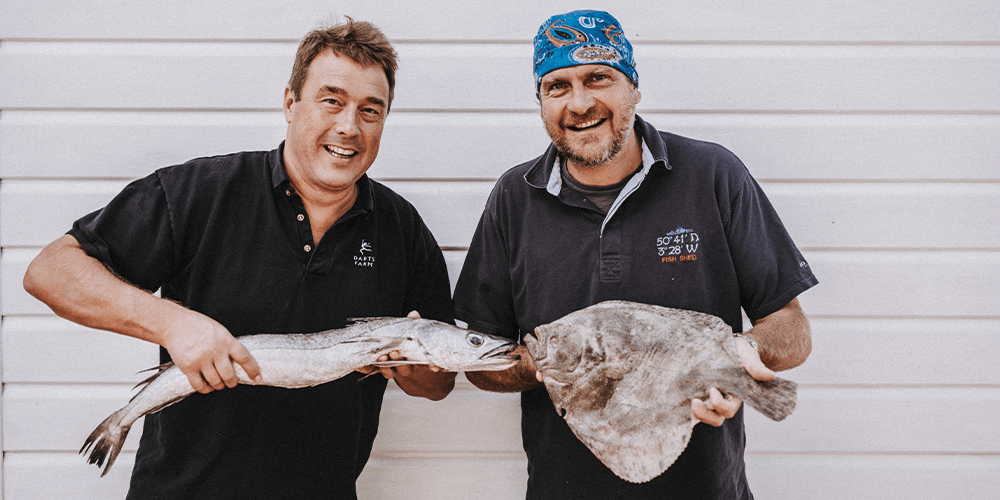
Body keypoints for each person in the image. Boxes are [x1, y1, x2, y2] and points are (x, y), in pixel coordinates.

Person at [22, 18, 456, 500]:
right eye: (331, 100)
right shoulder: (200, 194)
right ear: (291, 103)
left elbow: (438, 386)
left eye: (370, 111)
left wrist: (417, 371)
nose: (348, 127)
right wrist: (172, 324)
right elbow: (51, 271)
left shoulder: (403, 229)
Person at [454, 10, 817, 500]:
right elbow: (486, 360)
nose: (579, 103)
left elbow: (791, 328)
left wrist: (730, 360)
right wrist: (546, 363)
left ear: (633, 87)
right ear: (540, 101)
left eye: (598, 78)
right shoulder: (513, 199)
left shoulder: (713, 175)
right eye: (557, 86)